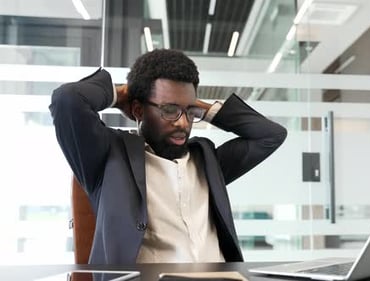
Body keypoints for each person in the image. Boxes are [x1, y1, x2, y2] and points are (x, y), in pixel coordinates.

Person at [49, 49, 287, 264]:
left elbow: (270, 135)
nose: (183, 123)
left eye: (189, 112)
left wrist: (202, 108)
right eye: (170, 110)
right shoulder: (109, 158)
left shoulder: (207, 160)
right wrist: (120, 94)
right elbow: (68, 100)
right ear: (138, 110)